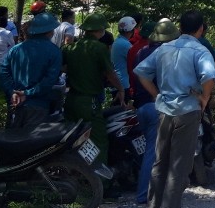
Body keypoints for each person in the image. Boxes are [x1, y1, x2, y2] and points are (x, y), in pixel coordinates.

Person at [133, 10, 215, 208]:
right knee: (179, 166)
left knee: (160, 161)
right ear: (201, 29)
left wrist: (156, 95)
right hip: (187, 110)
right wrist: (204, 98)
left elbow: (141, 72)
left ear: (180, 27)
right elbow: (209, 77)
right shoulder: (199, 51)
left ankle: (154, 206)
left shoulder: (164, 49)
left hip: (164, 110)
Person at [62, 13, 127, 161]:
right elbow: (110, 74)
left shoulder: (70, 48)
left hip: (70, 99)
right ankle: (100, 179)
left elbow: (62, 68)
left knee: (71, 139)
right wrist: (121, 89)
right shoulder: (100, 48)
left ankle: (72, 172)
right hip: (88, 101)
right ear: (99, 30)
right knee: (98, 139)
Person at [133, 18, 175, 206]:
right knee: (155, 152)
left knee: (150, 150)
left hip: (140, 107)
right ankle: (144, 194)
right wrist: (158, 96)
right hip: (156, 106)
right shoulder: (164, 54)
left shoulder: (141, 51)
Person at [0, 12, 63, 128]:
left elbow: (2, 71)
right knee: (32, 143)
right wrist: (27, 93)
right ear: (49, 31)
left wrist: (12, 92)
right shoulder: (54, 52)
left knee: (11, 141)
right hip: (38, 106)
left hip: (15, 103)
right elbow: (49, 81)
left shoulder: (16, 49)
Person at [128, 19, 155, 96]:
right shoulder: (151, 49)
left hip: (136, 90)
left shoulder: (132, 48)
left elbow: (130, 71)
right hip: (150, 91)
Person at [114, 16, 137, 97]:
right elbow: (135, 60)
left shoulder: (118, 41)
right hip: (125, 84)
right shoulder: (126, 45)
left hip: (118, 81)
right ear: (131, 30)